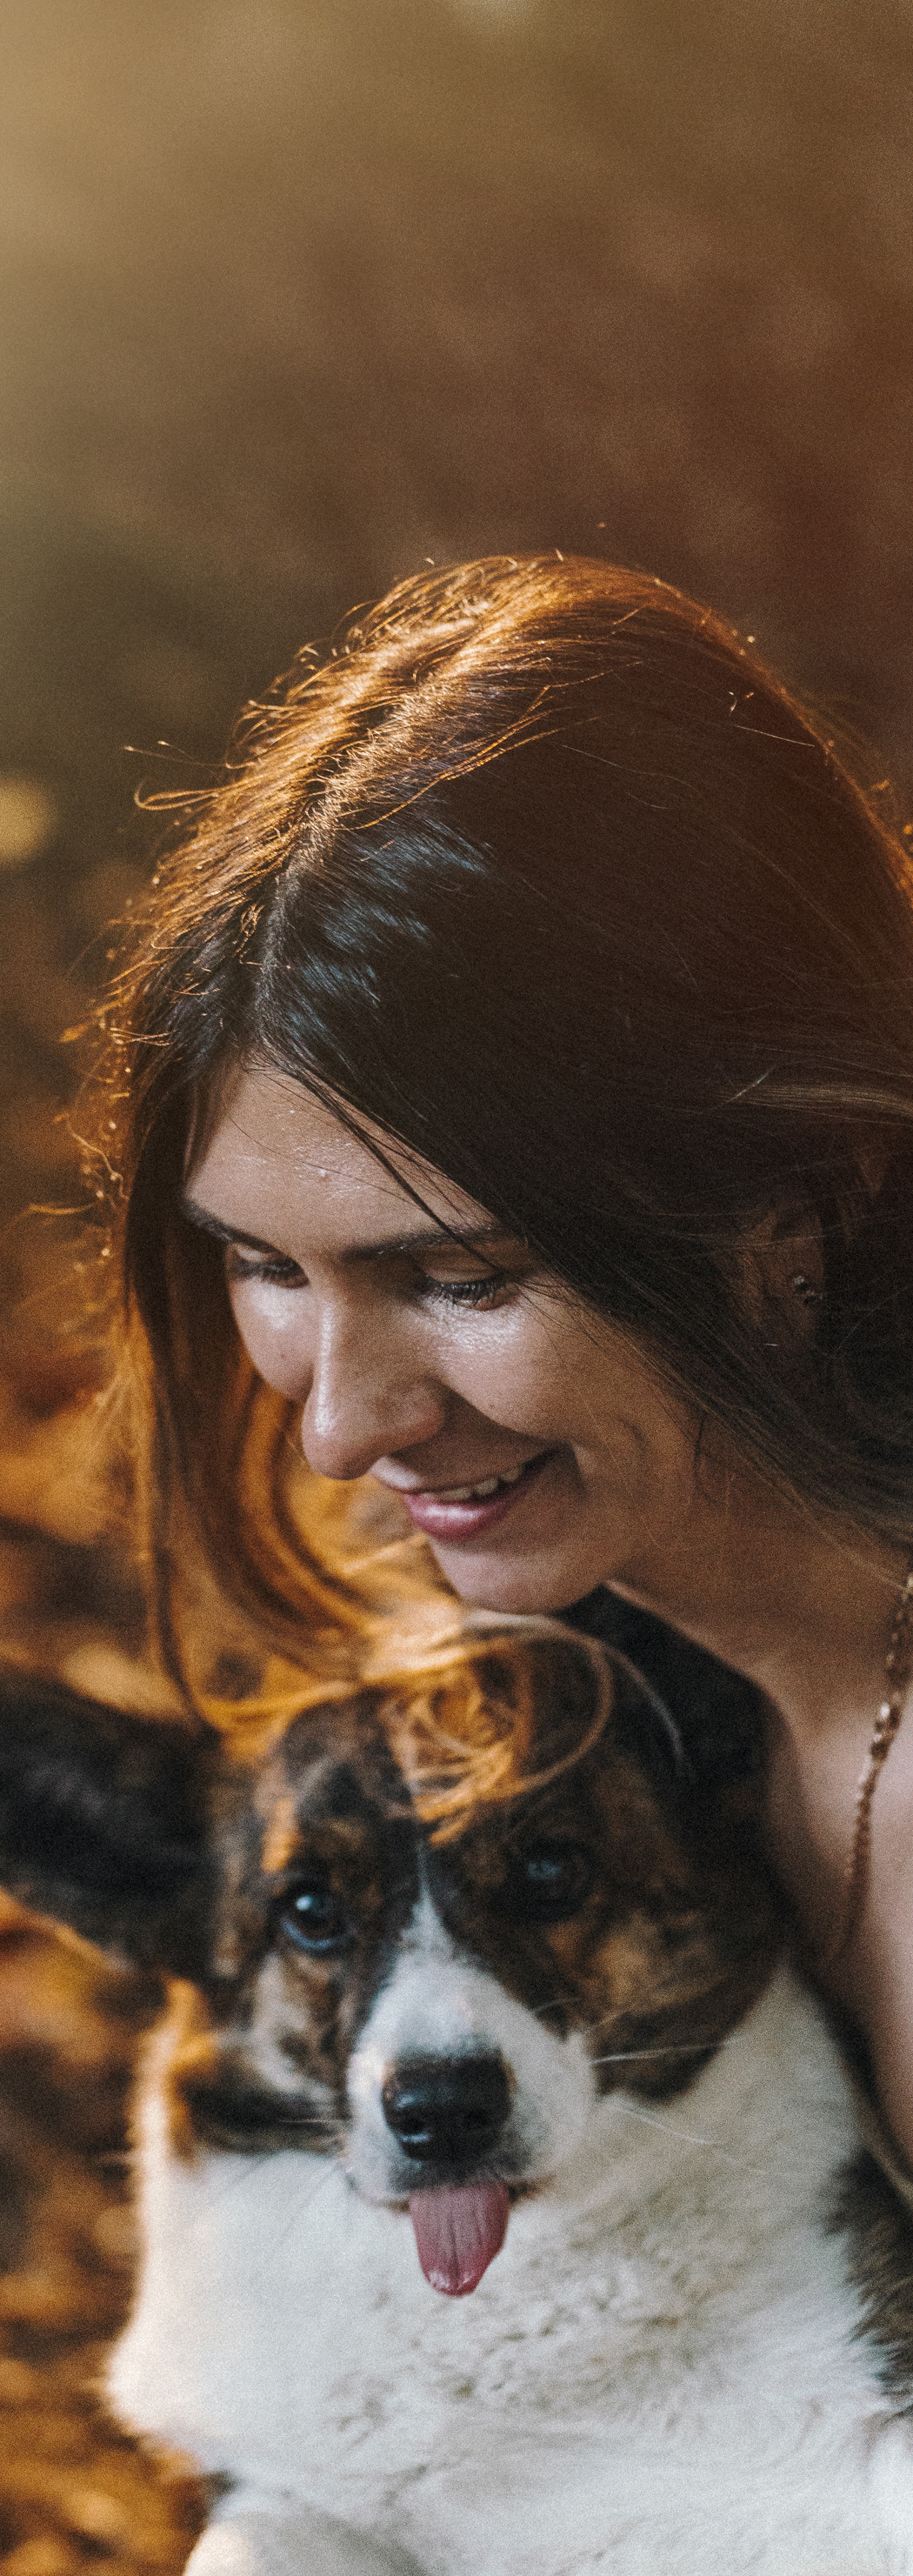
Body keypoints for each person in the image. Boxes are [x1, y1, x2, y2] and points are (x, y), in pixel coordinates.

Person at [83, 552, 913, 2171]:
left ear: (798, 1203)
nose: (341, 1428)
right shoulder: (567, 1716)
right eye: (266, 1266)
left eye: (459, 1279)